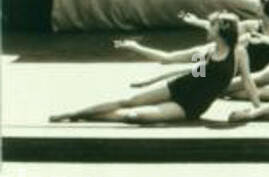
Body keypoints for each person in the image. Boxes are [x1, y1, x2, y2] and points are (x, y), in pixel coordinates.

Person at [51, 13, 257, 123]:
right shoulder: (205, 51)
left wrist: (258, 109)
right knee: (128, 102)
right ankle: (74, 113)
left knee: (134, 116)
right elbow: (168, 59)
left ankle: (86, 117)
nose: (207, 28)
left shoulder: (239, 52)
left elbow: (248, 82)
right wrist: (136, 47)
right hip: (178, 87)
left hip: (190, 106)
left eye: (211, 26)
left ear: (221, 31)